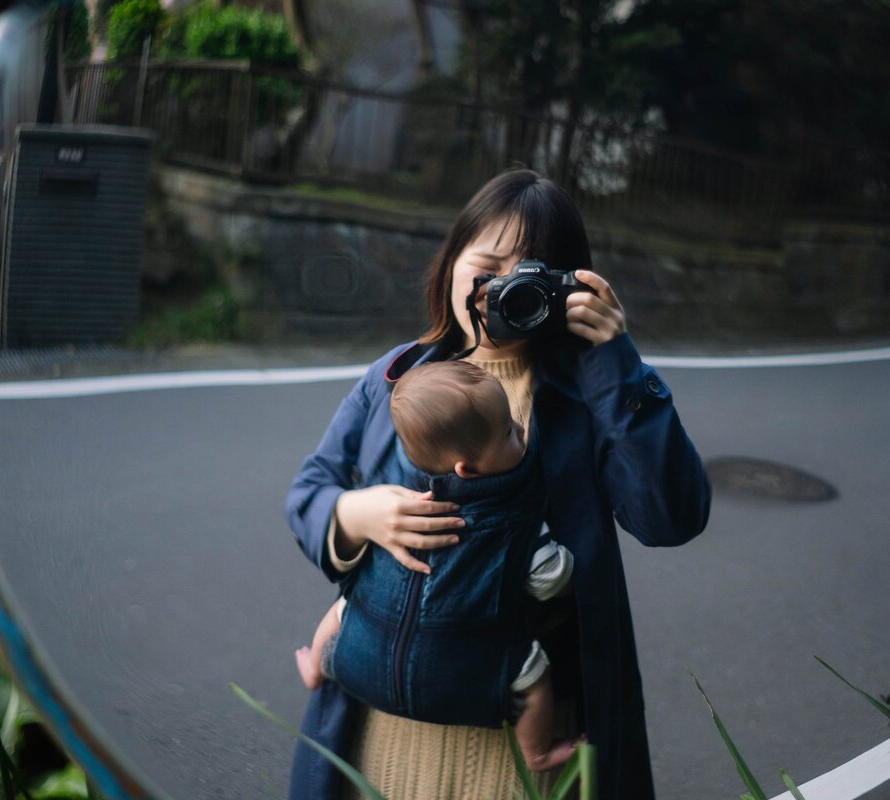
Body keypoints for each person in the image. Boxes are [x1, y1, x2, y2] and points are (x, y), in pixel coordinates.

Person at [286, 168, 711, 799]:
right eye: (486, 267)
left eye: (527, 277)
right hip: (378, 728)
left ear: (569, 290)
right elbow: (311, 490)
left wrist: (617, 363)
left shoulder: (591, 397)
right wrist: (357, 513)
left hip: (523, 749)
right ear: (452, 261)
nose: (498, 291)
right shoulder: (394, 378)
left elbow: (671, 517)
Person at [294, 360, 580, 772]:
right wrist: (571, 565)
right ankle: (537, 752)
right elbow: (551, 579)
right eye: (507, 432)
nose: (519, 431)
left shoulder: (395, 501)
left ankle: (315, 669)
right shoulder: (515, 520)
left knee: (342, 610)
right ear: (468, 467)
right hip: (461, 674)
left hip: (363, 661)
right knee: (534, 676)